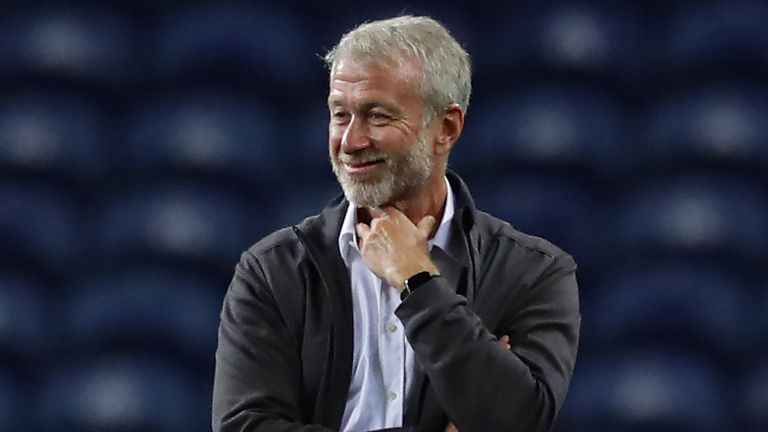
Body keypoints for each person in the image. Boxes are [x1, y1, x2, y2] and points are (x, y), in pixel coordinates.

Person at [212, 15, 580, 432]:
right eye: (339, 115)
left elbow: (517, 421)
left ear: (446, 127)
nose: (350, 142)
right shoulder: (272, 271)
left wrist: (418, 281)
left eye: (377, 116)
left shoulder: (531, 272)